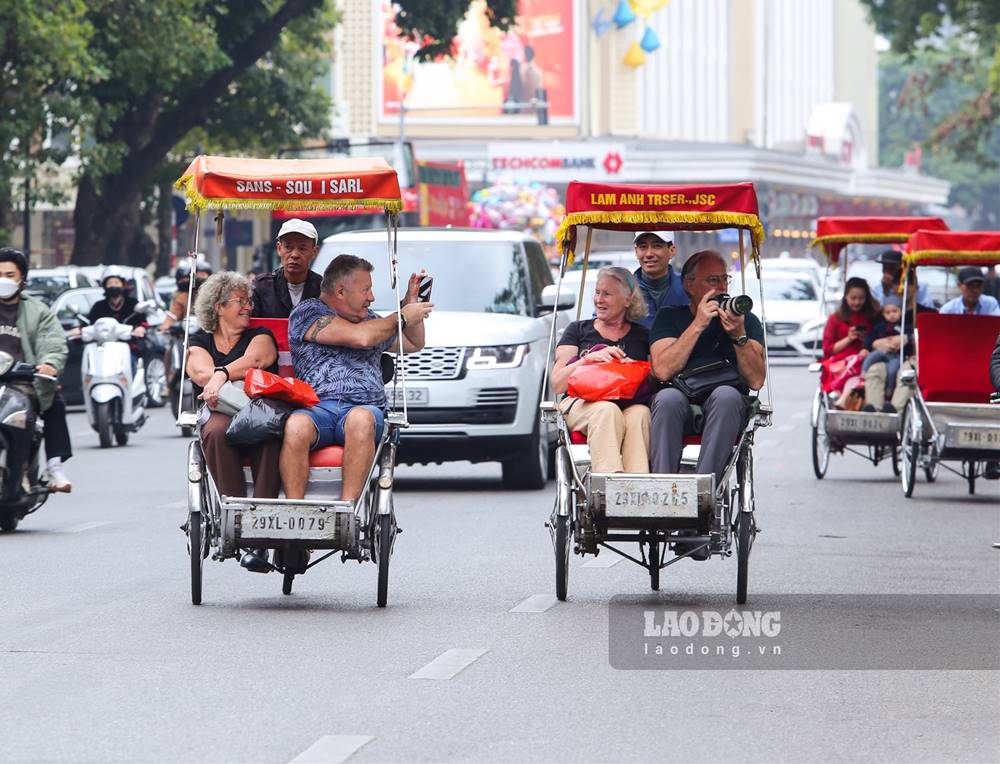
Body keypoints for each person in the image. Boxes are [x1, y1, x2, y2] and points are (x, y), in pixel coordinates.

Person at [281, 255, 433, 503]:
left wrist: (412, 305)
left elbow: (414, 343)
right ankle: (296, 511)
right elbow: (359, 338)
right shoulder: (307, 313)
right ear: (340, 291)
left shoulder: (372, 321)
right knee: (296, 425)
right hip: (317, 408)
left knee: (360, 419)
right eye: (366, 290)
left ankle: (347, 511)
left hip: (363, 410)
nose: (371, 297)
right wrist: (402, 316)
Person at [185, 272, 281, 572]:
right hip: (221, 410)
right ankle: (236, 515)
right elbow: (199, 373)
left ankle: (261, 532)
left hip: (257, 408)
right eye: (240, 301)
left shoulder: (259, 334)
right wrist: (215, 377)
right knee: (214, 431)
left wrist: (221, 374)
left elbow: (256, 360)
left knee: (267, 435)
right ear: (218, 307)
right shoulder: (199, 340)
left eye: (248, 301)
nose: (248, 307)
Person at [648, 249, 766, 484]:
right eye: (713, 280)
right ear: (689, 285)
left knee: (726, 396)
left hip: (726, 403)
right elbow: (662, 369)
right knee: (668, 399)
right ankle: (662, 489)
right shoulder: (670, 317)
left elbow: (756, 380)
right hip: (679, 399)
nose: (721, 287)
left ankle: (704, 490)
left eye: (725, 279)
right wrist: (698, 325)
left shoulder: (745, 320)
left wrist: (738, 335)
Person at [550, 267, 653, 473]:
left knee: (641, 414)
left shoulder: (643, 335)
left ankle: (637, 488)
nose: (599, 300)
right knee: (607, 410)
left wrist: (631, 368)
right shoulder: (578, 330)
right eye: (597, 292)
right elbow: (557, 382)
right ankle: (609, 486)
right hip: (581, 402)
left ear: (628, 299)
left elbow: (656, 378)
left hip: (629, 403)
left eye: (607, 294)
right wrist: (587, 359)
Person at [0, 248, 72, 491]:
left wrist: (50, 364)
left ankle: (54, 466)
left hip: (25, 383)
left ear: (22, 279)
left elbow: (53, 342)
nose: (4, 280)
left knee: (55, 400)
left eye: (9, 274)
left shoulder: (38, 311)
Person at [863, 278, 937, 413]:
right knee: (875, 370)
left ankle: (895, 410)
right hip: (885, 356)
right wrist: (876, 343)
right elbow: (870, 338)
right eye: (900, 284)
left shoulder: (926, 313)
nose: (904, 289)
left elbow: (929, 338)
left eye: (908, 284)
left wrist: (907, 338)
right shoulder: (881, 317)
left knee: (906, 374)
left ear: (916, 287)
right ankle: (874, 409)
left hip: (909, 357)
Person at [252, 218, 323, 318]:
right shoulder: (261, 287)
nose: (294, 255)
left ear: (314, 252)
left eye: (302, 248)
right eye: (288, 247)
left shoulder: (324, 289)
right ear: (279, 249)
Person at [631, 231, 689, 329]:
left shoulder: (689, 289)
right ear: (636, 252)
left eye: (657, 246)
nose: (649, 254)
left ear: (672, 250)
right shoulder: (623, 290)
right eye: (643, 247)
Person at [861, 295, 904, 412]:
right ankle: (863, 373)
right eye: (888, 312)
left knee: (894, 370)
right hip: (881, 354)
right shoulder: (880, 327)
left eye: (895, 311)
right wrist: (866, 347)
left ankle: (890, 393)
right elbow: (870, 338)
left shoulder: (904, 326)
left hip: (896, 356)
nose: (892, 315)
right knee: (872, 362)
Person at [822, 276, 879, 362]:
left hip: (866, 361)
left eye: (861, 298)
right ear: (845, 296)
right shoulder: (835, 319)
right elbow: (828, 350)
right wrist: (849, 339)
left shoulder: (874, 316)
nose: (857, 302)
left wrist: (866, 339)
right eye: (853, 298)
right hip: (840, 361)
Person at [160, 258, 213, 332]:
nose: (200, 278)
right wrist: (166, 326)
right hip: (187, 332)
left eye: (203, 275)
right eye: (198, 275)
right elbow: (174, 313)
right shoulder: (184, 295)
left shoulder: (214, 295)